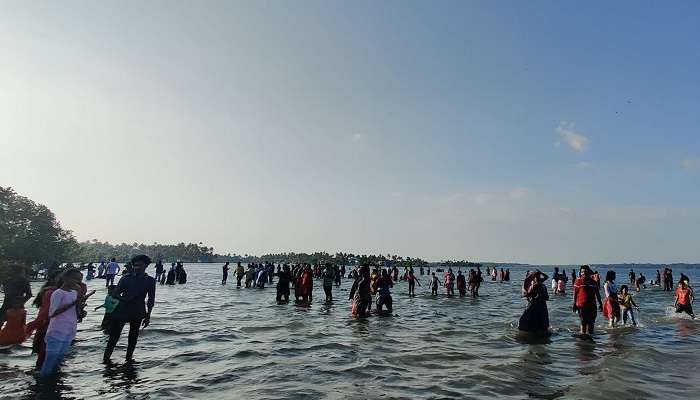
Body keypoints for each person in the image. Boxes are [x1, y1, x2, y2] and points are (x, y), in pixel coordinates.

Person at [40, 269, 95, 377]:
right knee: (50, 359)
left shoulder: (74, 293)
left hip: (69, 329)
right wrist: (74, 303)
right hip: (57, 330)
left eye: (79, 280)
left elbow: (74, 310)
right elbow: (52, 313)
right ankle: (43, 382)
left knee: (60, 358)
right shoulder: (58, 293)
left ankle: (54, 382)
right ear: (65, 278)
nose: (77, 282)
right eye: (75, 279)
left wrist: (80, 310)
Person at [103, 255, 156, 363]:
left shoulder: (150, 281)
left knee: (133, 337)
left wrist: (148, 315)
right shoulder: (126, 278)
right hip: (122, 309)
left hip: (138, 311)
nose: (137, 267)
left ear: (146, 266)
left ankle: (129, 359)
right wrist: (124, 299)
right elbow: (115, 293)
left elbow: (151, 299)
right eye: (135, 265)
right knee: (114, 337)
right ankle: (106, 360)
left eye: (140, 265)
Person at [25, 272, 60, 368]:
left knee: (44, 351)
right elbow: (46, 312)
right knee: (47, 352)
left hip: (46, 324)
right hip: (49, 325)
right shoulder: (52, 292)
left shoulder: (48, 291)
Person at [572, 265, 603, 335]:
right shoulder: (578, 281)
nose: (584, 273)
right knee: (583, 323)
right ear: (580, 273)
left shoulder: (594, 282)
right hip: (582, 306)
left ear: (589, 272)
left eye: (586, 272)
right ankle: (583, 339)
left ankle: (590, 340)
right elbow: (575, 294)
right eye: (582, 272)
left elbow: (597, 294)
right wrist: (574, 304)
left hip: (592, 306)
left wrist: (600, 304)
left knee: (591, 323)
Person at [518, 271, 550, 335]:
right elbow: (547, 297)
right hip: (542, 306)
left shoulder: (535, 285)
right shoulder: (543, 286)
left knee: (525, 319)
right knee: (541, 319)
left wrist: (525, 295)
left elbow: (529, 294)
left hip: (534, 305)